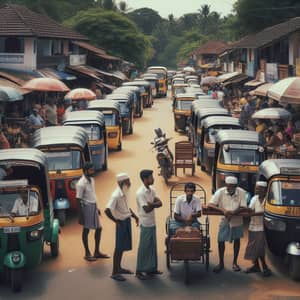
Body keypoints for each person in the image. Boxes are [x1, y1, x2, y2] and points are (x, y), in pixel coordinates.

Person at [208, 176, 247, 273]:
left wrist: (233, 213)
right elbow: (211, 204)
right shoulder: (220, 192)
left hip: (237, 220)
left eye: (233, 186)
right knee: (221, 240)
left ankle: (235, 263)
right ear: (226, 185)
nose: (230, 188)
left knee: (236, 241)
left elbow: (243, 207)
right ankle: (221, 263)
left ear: (236, 186)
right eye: (229, 186)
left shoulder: (241, 192)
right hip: (224, 220)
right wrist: (224, 211)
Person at [105, 173, 139, 282]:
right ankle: (114, 272)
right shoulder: (116, 195)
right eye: (127, 181)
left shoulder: (124, 193)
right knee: (119, 247)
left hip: (126, 220)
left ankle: (119, 268)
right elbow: (107, 210)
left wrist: (134, 216)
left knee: (123, 246)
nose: (130, 183)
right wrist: (116, 221)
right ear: (122, 183)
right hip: (121, 222)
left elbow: (127, 207)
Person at [76, 162, 109, 261]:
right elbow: (78, 199)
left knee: (99, 229)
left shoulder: (92, 180)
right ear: (85, 171)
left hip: (93, 206)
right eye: (91, 170)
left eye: (92, 169)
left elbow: (92, 194)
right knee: (86, 230)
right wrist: (81, 215)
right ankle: (87, 253)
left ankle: (97, 251)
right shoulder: (81, 184)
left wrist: (97, 208)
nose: (93, 171)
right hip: (87, 208)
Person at [136, 169, 163, 280]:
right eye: (151, 177)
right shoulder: (140, 193)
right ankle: (138, 271)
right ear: (145, 179)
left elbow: (160, 203)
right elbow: (146, 209)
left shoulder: (152, 190)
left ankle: (151, 269)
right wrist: (154, 204)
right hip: (145, 223)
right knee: (144, 247)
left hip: (152, 222)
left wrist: (152, 204)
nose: (153, 179)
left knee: (152, 247)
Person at [244, 181, 271, 277]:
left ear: (264, 190)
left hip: (263, 227)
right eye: (256, 188)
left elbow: (266, 213)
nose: (256, 190)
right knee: (253, 247)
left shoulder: (269, 199)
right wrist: (243, 209)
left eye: (258, 188)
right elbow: (250, 209)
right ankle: (257, 266)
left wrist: (252, 213)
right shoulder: (254, 198)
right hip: (253, 226)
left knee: (259, 248)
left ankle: (264, 267)